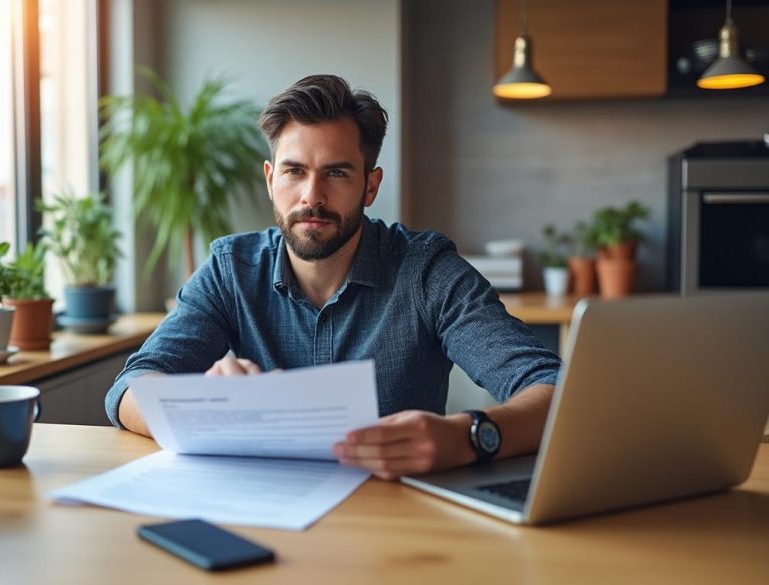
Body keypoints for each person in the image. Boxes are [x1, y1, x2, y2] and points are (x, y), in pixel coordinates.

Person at [104, 74, 561, 480]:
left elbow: (555, 389)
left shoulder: (427, 271)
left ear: (370, 185)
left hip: (393, 521)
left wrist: (467, 436)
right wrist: (201, 404)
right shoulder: (232, 270)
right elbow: (130, 387)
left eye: (336, 173)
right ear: (270, 180)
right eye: (294, 171)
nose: (312, 196)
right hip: (267, 508)